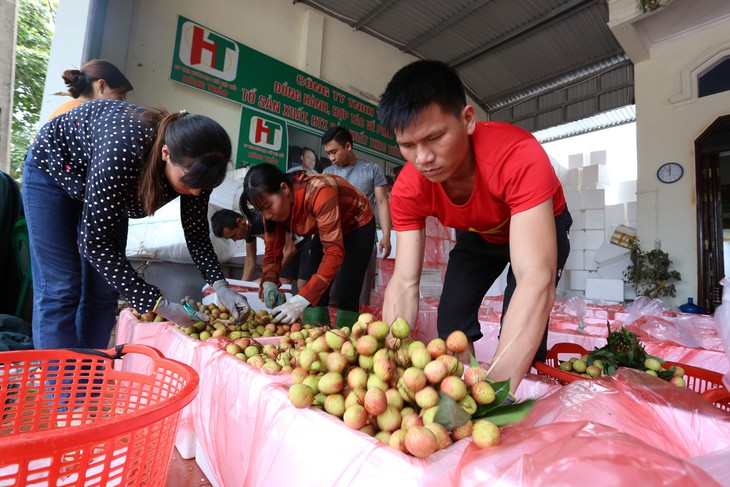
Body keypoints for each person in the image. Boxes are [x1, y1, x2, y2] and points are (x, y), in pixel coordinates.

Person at [378, 60, 572, 394]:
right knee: (451, 321)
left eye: (434, 138)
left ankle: (514, 400)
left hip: (537, 225)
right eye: (408, 146)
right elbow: (404, 282)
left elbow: (534, 279)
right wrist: (385, 364)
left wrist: (494, 396)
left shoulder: (518, 157)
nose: (422, 158)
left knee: (525, 330)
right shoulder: (409, 187)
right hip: (478, 232)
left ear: (468, 120)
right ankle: (461, 389)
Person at [23, 99, 251, 349]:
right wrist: (157, 304)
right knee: (62, 288)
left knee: (103, 292)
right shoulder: (123, 150)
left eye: (204, 187)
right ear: (166, 153)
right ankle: (60, 385)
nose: (196, 193)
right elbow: (95, 243)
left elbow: (196, 233)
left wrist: (221, 286)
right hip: (54, 173)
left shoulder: (200, 172)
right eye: (189, 183)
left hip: (105, 192)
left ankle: (89, 375)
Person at [240, 164, 375, 327]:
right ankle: (315, 335)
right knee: (314, 282)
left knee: (347, 289)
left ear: (284, 189)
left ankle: (345, 338)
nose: (267, 215)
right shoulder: (270, 214)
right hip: (324, 228)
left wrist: (300, 300)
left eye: (268, 206)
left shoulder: (319, 192)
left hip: (357, 223)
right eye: (260, 210)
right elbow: (272, 253)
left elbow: (333, 252)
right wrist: (269, 281)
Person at [321, 126, 392, 305]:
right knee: (330, 291)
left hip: (363, 239)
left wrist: (386, 235)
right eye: (328, 154)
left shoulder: (371, 169)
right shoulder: (327, 173)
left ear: (348, 146)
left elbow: (382, 202)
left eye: (334, 152)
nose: (331, 158)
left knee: (358, 294)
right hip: (335, 240)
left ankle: (356, 329)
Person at [211, 208, 311, 293]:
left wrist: (268, 276)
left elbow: (289, 250)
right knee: (281, 282)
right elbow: (250, 258)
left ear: (239, 221)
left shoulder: (261, 219)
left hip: (304, 240)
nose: (234, 239)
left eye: (233, 235)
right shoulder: (246, 228)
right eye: (230, 238)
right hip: (289, 247)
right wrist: (242, 286)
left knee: (302, 284)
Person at [48, 59, 133, 120]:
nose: (121, 104)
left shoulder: (67, 108)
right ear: (101, 86)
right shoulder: (80, 115)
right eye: (120, 97)